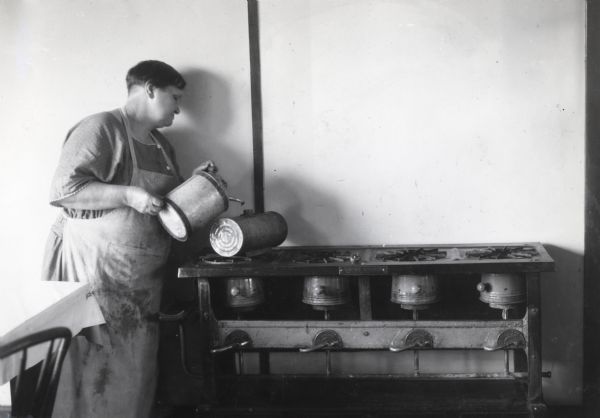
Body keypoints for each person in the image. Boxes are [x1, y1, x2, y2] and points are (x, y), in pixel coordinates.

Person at [41, 60, 217, 417]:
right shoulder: (102, 128)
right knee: (89, 369)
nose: (179, 109)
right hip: (95, 274)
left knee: (133, 376)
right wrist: (127, 195)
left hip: (139, 283)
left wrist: (193, 185)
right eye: (175, 97)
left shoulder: (161, 145)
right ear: (150, 88)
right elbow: (63, 190)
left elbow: (167, 209)